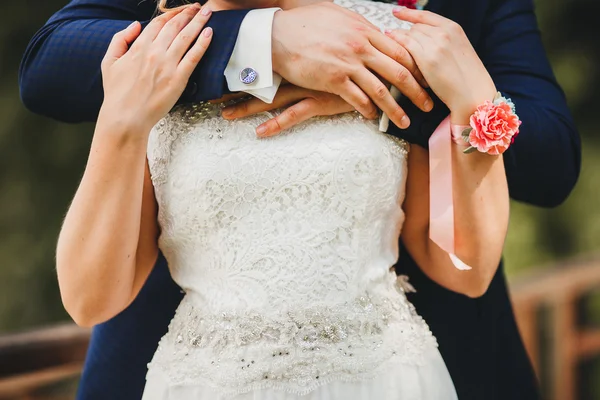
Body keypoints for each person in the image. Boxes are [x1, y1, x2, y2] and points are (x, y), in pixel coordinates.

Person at [18, 0, 581, 399]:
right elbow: (49, 63)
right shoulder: (160, 49)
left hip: (383, 378)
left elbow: (469, 263)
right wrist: (260, 44)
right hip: (202, 378)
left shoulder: (388, 35)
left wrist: (443, 99)